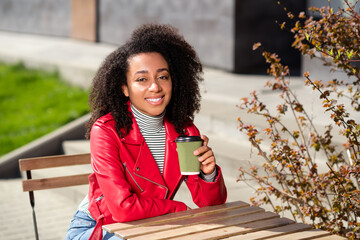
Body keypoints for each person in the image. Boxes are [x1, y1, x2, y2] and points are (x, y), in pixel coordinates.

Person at [65, 23, 227, 240]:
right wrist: (176, 208)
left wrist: (209, 174)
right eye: (142, 79)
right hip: (100, 227)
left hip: (152, 225)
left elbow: (211, 205)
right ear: (124, 87)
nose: (155, 87)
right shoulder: (106, 131)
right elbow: (122, 208)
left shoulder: (184, 129)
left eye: (163, 76)